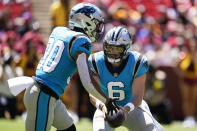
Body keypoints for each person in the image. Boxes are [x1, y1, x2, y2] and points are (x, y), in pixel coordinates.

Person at [8, 3, 119, 131]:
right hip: (43, 95)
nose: (98, 29)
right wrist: (108, 101)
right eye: (96, 24)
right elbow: (87, 81)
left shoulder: (59, 31)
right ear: (86, 22)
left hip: (45, 93)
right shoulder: (82, 41)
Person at [88, 26, 163, 131]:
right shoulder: (95, 61)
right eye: (109, 47)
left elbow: (138, 96)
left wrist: (125, 109)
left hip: (133, 107)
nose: (112, 52)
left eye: (117, 49)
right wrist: (103, 107)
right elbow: (93, 93)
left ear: (126, 48)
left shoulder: (137, 62)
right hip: (106, 108)